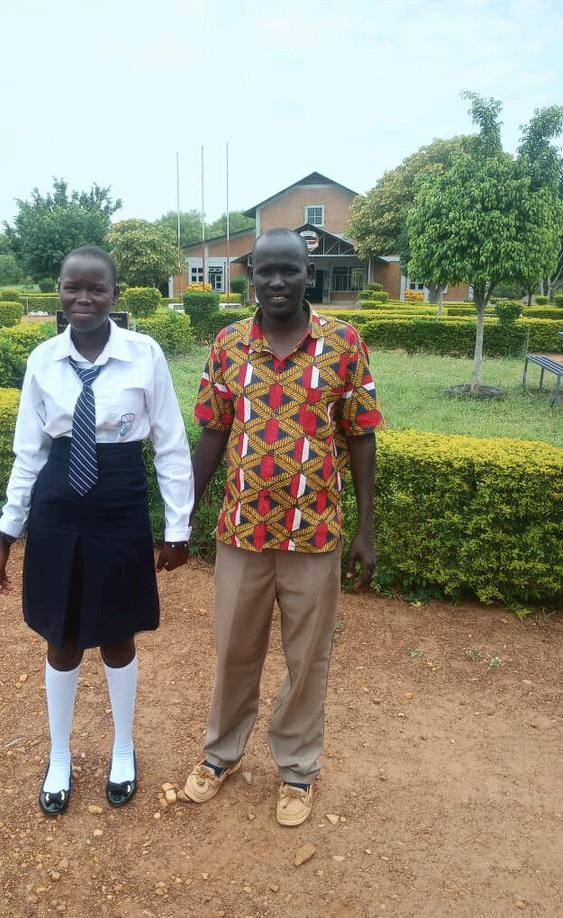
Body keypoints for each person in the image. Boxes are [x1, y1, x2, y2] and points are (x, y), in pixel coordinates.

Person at [0, 246, 193, 815]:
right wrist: (5, 536)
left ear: (114, 294)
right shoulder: (43, 361)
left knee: (119, 633)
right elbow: (29, 454)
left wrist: (177, 528)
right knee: (62, 636)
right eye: (72, 287)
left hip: (120, 504)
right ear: (59, 290)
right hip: (58, 510)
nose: (83, 298)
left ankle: (123, 748)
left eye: (96, 288)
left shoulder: (144, 355)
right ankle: (60, 756)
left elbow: (171, 444)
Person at [183, 228, 382, 826]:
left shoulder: (343, 343)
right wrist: (182, 512)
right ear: (250, 276)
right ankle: (221, 755)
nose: (275, 282)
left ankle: (297, 770)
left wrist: (366, 527)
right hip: (241, 530)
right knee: (233, 651)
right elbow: (213, 429)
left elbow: (362, 435)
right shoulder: (228, 344)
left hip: (315, 534)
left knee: (307, 659)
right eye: (264, 271)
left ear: (308, 276)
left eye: (288, 271)